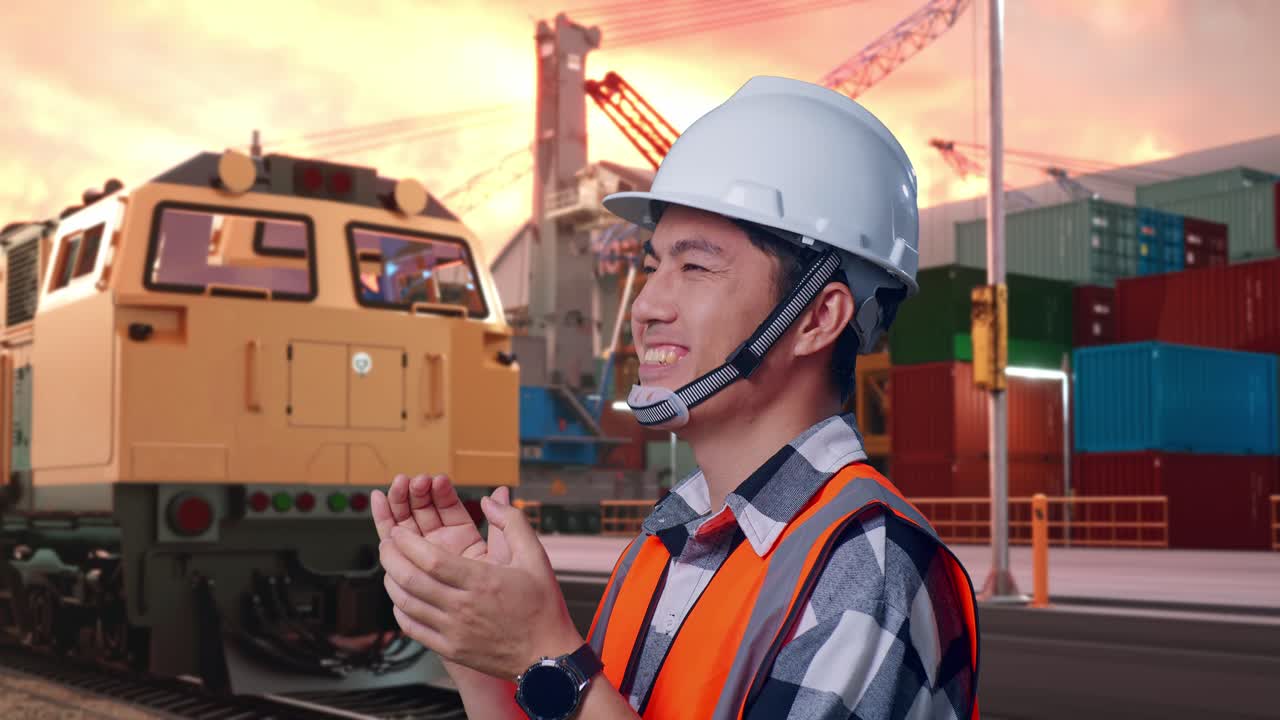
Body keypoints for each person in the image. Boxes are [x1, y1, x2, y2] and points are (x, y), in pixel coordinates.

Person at [372, 75, 980, 720]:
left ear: (817, 319)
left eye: (695, 267)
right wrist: (479, 654)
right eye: (654, 264)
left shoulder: (868, 563)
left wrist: (544, 654)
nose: (647, 306)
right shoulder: (672, 535)